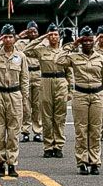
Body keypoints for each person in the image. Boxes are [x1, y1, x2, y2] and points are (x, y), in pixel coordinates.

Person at [57, 26, 103, 175]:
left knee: (95, 130)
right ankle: (82, 161)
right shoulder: (74, 57)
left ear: (93, 41)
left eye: (89, 40)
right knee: (81, 130)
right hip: (80, 95)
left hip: (97, 95)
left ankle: (94, 162)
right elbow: (58, 60)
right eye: (84, 40)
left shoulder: (100, 58)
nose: (87, 43)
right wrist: (73, 44)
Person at [0, 24, 29, 177]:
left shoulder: (21, 57)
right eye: (5, 37)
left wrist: (25, 102)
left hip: (15, 94)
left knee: (13, 133)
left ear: (14, 38)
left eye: (11, 36)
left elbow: (25, 80)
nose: (8, 40)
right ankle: (0, 163)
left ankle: (12, 164)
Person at [22, 23, 70, 158]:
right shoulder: (41, 50)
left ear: (59, 37)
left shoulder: (64, 52)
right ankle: (48, 146)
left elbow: (69, 72)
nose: (53, 37)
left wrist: (70, 90)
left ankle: (58, 145)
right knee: (46, 116)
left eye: (55, 34)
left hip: (60, 82)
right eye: (51, 34)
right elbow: (26, 49)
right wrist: (41, 37)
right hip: (45, 82)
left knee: (60, 117)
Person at [16, 21, 43, 142]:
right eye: (30, 31)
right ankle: (25, 130)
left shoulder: (42, 44)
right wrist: (19, 36)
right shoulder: (20, 44)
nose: (32, 33)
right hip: (25, 74)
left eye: (34, 31)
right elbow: (10, 46)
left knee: (37, 105)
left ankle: (37, 131)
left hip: (37, 74)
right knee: (25, 104)